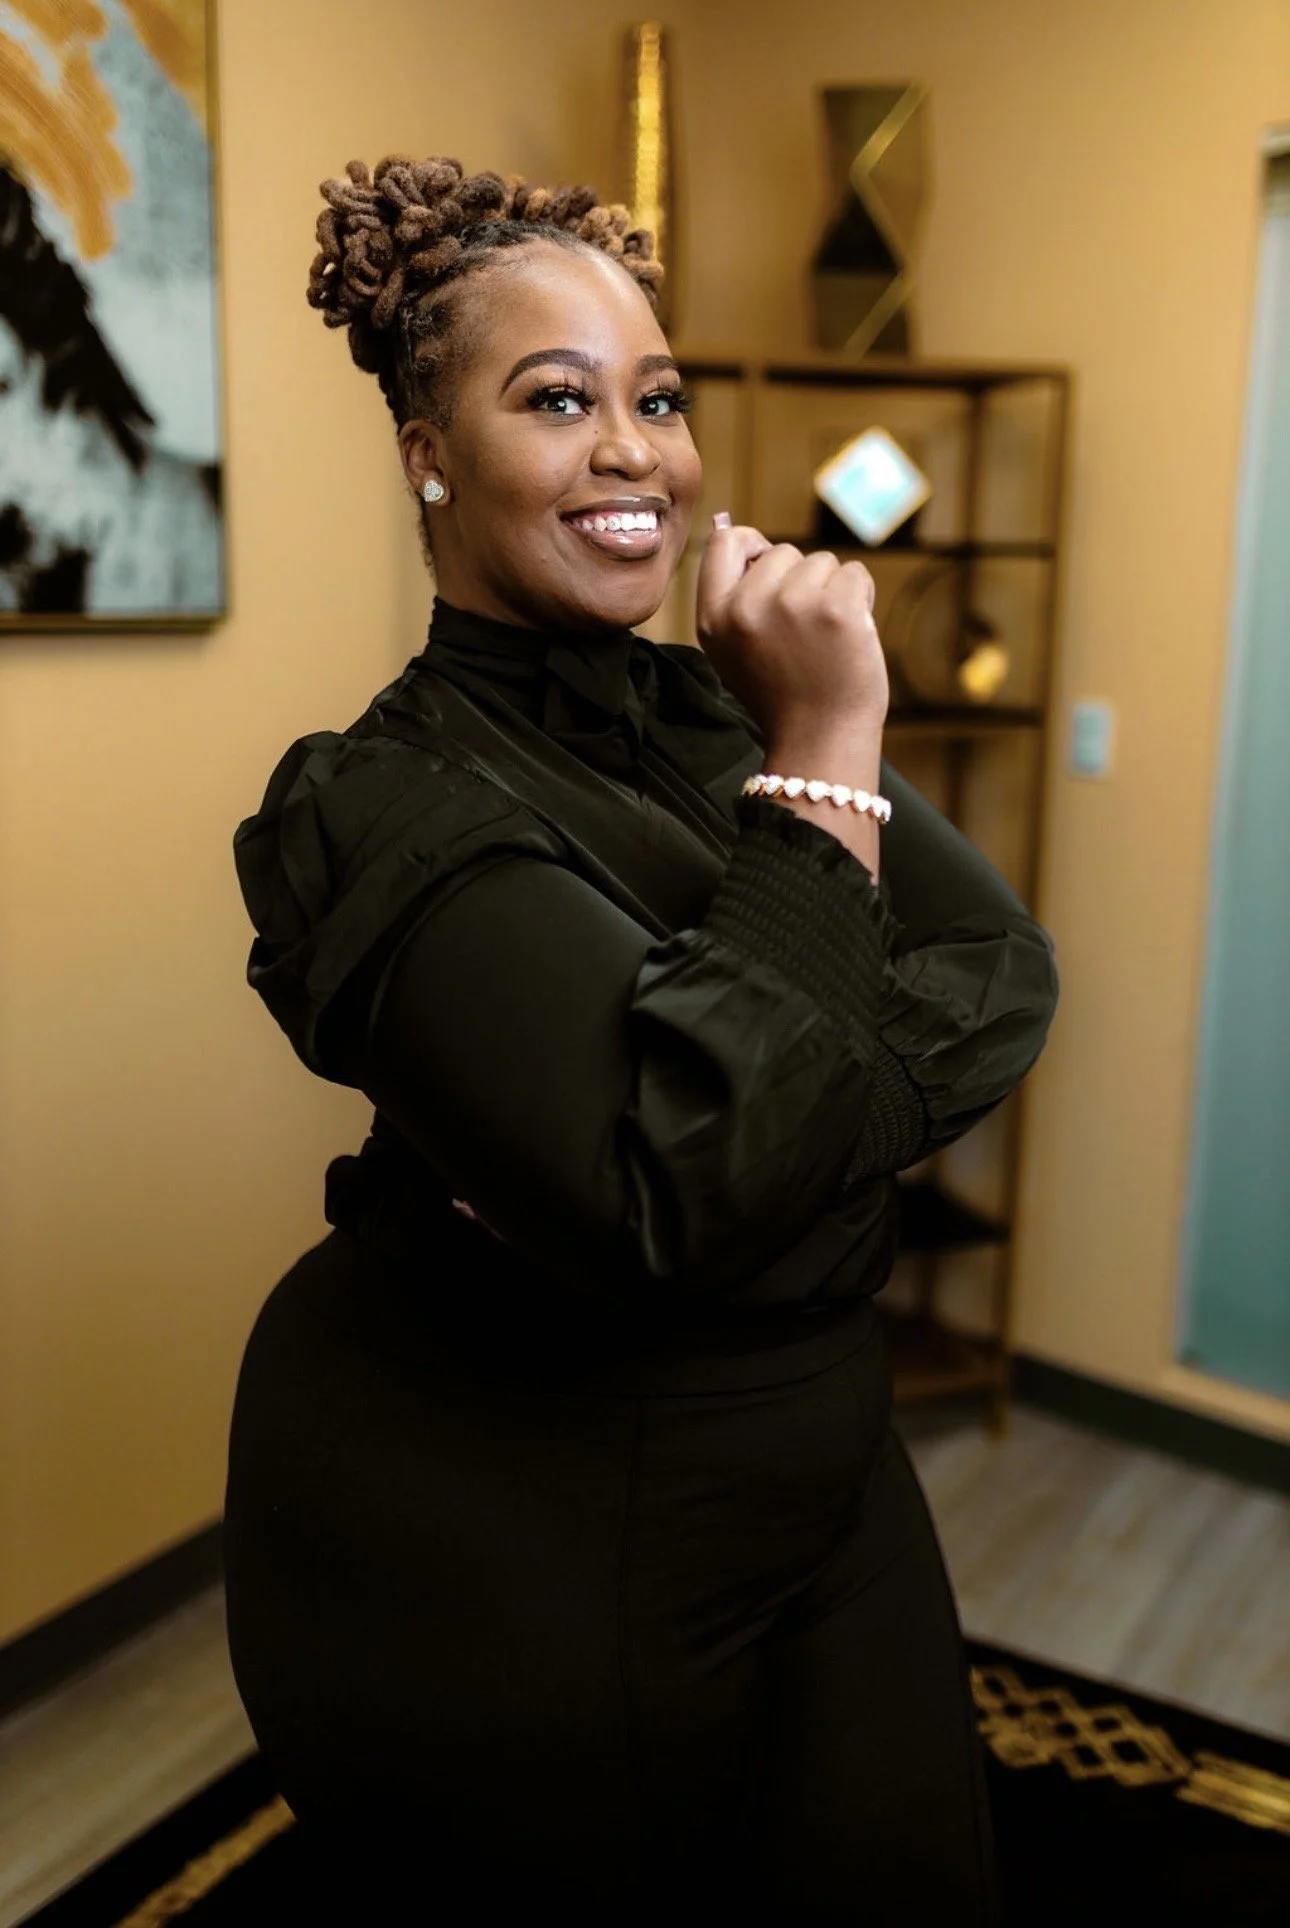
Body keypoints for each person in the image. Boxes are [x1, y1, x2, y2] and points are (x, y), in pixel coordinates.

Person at [225, 153, 1059, 1923]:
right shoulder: (371, 802)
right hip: (538, 1519)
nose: (636, 453)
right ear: (426, 453)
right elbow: (678, 1180)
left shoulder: (716, 710)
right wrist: (832, 724)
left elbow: (998, 970)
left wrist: (765, 1107)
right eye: (557, 400)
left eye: (657, 400)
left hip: (827, 1468)